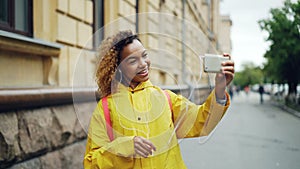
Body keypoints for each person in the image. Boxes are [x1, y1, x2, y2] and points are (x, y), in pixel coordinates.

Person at [83, 30, 235, 168]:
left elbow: (202, 123)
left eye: (144, 55)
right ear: (118, 67)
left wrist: (220, 89)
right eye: (132, 61)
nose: (143, 64)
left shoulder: (166, 98)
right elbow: (90, 163)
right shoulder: (105, 108)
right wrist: (124, 147)